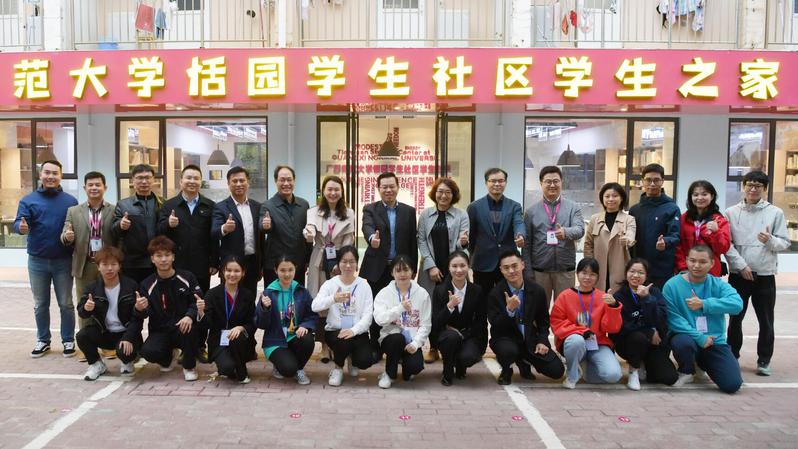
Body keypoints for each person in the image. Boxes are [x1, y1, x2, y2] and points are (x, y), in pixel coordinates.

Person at [725, 170, 790, 376]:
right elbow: (727, 245)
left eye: (758, 186)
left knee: (766, 320)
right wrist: (741, 266)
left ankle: (764, 360)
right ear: (743, 186)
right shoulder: (731, 212)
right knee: (735, 318)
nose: (753, 189)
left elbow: (784, 242)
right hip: (739, 275)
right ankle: (732, 356)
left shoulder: (775, 213)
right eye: (749, 185)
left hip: (764, 275)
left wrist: (770, 240)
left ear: (765, 189)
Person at [15, 160, 79, 358]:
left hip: (63, 260)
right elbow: (19, 223)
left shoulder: (70, 201)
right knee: (40, 303)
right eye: (47, 172)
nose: (51, 176)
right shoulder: (28, 200)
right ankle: (43, 340)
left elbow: (76, 227)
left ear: (61, 176)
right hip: (37, 261)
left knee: (66, 303)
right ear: (40, 175)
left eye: (55, 173)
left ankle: (68, 340)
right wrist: (21, 228)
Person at [664, 245, 743, 394]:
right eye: (692, 260)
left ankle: (702, 363)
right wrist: (700, 337)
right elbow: (674, 319)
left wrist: (705, 304)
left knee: (732, 384)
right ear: (686, 260)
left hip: (714, 341)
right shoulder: (672, 285)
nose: (696, 265)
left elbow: (737, 305)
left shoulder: (718, 284)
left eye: (702, 262)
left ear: (712, 263)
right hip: (688, 337)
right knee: (682, 343)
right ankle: (686, 370)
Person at [361, 172, 418, 362]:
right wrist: (372, 238)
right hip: (377, 268)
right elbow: (367, 227)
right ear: (378, 189)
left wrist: (413, 268)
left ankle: (397, 347)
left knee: (400, 308)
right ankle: (375, 347)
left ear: (398, 187)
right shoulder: (370, 209)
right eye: (384, 187)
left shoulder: (409, 211)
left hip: (400, 270)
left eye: (391, 186)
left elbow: (412, 242)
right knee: (377, 308)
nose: (388, 190)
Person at [488, 249, 565, 385]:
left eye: (514, 266)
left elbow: (543, 321)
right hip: (506, 339)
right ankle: (506, 370)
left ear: (522, 265)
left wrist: (542, 341)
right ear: (501, 270)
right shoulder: (495, 293)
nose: (511, 271)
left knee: (557, 370)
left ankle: (524, 361)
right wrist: (509, 310)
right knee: (508, 351)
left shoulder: (537, 290)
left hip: (530, 340)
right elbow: (495, 324)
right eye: (506, 268)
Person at [417, 177, 469, 364]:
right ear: (434, 193)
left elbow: (462, 245)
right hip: (430, 270)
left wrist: (463, 243)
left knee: (453, 306)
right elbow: (421, 240)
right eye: (440, 191)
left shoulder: (461, 215)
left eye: (448, 192)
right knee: (430, 309)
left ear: (453, 195)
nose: (444, 196)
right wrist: (431, 266)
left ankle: (452, 345)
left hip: (453, 270)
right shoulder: (426, 215)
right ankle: (433, 347)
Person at [304, 175, 355, 364]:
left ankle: (338, 343)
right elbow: (309, 229)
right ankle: (324, 346)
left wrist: (341, 262)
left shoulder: (349, 213)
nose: (333, 193)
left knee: (340, 300)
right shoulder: (313, 211)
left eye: (336, 189)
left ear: (341, 192)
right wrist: (308, 234)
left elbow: (349, 240)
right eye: (329, 189)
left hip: (340, 261)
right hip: (318, 259)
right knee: (320, 301)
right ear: (323, 192)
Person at [551, 257, 623, 389]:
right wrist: (582, 332)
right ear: (577, 273)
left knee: (613, 375)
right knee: (576, 341)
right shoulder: (565, 296)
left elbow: (612, 328)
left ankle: (585, 371)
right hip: (574, 343)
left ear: (597, 277)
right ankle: (572, 374)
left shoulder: (602, 297)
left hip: (597, 344)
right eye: (584, 273)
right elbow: (557, 323)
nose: (587, 277)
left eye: (592, 274)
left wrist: (613, 307)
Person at [138, 236, 203, 382]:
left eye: (167, 255)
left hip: (182, 327)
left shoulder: (188, 277)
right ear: (152, 259)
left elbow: (197, 301)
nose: (163, 259)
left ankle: (189, 366)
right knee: (148, 352)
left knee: (191, 330)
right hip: (160, 330)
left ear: (173, 257)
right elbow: (145, 313)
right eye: (159, 256)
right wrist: (140, 308)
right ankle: (167, 356)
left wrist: (189, 316)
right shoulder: (147, 284)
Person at [60, 172, 115, 337]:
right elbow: (64, 234)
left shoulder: (114, 210)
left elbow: (119, 238)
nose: (94, 188)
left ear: (105, 187)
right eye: (90, 185)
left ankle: (107, 341)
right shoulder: (73, 211)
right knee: (85, 304)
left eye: (98, 185)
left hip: (107, 266)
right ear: (85, 188)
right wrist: (67, 237)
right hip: (84, 265)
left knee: (109, 303)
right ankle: (86, 342)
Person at [75, 247, 143, 380]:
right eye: (105, 264)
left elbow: (139, 318)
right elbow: (82, 313)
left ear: (119, 266)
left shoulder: (131, 286)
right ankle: (96, 364)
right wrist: (87, 308)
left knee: (125, 352)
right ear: (98, 267)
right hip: (104, 332)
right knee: (82, 336)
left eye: (113, 264)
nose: (109, 268)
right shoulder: (92, 288)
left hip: (125, 333)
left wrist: (129, 336)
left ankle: (127, 361)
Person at [311, 246, 374, 387]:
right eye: (344, 261)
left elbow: (368, 316)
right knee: (343, 341)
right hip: (335, 331)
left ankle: (352, 358)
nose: (348, 265)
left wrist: (353, 330)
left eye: (352, 261)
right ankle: (338, 368)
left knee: (365, 360)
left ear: (357, 263)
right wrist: (333, 298)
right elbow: (315, 306)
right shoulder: (330, 284)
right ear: (338, 264)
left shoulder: (364, 285)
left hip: (357, 331)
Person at [611, 258, 678, 390]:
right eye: (632, 271)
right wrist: (649, 331)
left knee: (669, 378)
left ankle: (645, 364)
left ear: (646, 276)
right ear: (626, 273)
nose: (636, 275)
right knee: (638, 338)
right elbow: (624, 326)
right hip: (629, 343)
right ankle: (633, 370)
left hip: (653, 344)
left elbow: (661, 319)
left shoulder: (655, 292)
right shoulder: (619, 296)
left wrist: (647, 299)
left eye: (641, 272)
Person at [523, 166, 585, 305]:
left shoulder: (573, 207)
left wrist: (566, 232)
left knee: (565, 310)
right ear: (541, 183)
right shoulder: (531, 212)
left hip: (565, 271)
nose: (552, 185)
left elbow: (580, 229)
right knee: (538, 311)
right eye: (548, 181)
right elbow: (526, 245)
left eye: (556, 181)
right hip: (539, 272)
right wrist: (528, 271)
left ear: (562, 182)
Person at [255, 256, 318, 385]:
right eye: (282, 270)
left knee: (307, 339)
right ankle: (280, 363)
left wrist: (305, 325)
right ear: (275, 270)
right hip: (275, 341)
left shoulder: (301, 291)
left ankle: (299, 369)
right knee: (288, 370)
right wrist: (264, 309)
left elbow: (312, 315)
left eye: (290, 270)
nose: (287, 274)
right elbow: (261, 324)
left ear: (296, 269)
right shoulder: (269, 293)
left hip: (294, 336)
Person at [373, 255, 432, 389]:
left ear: (412, 272)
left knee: (414, 367)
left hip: (411, 340)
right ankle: (389, 374)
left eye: (406, 270)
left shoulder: (422, 294)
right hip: (390, 339)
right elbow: (379, 319)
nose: (402, 274)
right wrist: (400, 308)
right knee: (397, 339)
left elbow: (426, 325)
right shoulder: (384, 293)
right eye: (398, 270)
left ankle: (405, 365)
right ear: (392, 273)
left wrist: (416, 343)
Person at [157, 164, 218, 293]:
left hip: (202, 264)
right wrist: (168, 224)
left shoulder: (210, 206)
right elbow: (159, 232)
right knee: (176, 299)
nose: (192, 181)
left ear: (200, 182)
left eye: (196, 178)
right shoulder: (169, 205)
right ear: (181, 181)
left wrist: (214, 262)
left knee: (200, 298)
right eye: (188, 178)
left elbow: (213, 236)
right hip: (176, 264)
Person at [467, 168, 526, 297]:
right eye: (493, 181)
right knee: (482, 299)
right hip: (482, 262)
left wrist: (520, 235)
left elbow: (518, 223)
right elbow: (471, 235)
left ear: (505, 182)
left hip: (507, 263)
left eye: (501, 181)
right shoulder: (474, 207)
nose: (497, 184)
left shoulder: (514, 206)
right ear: (486, 183)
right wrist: (473, 253)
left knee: (507, 298)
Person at [432, 251, 487, 386]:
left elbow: (481, 321)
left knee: (469, 356)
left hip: (468, 334)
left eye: (462, 266)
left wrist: (464, 334)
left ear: (468, 266)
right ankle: (447, 370)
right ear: (449, 268)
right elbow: (436, 322)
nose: (459, 270)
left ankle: (461, 364)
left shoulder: (477, 290)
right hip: (446, 336)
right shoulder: (440, 290)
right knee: (451, 338)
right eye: (454, 266)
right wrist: (449, 306)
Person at [198, 255, 256, 384]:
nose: (232, 274)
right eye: (228, 270)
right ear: (223, 271)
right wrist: (201, 312)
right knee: (226, 368)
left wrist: (241, 328)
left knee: (238, 337)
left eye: (237, 271)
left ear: (243, 273)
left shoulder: (247, 295)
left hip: (241, 342)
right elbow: (207, 324)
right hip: (220, 341)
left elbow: (253, 323)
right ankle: (231, 366)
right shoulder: (212, 294)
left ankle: (241, 371)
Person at [629, 163, 680, 289]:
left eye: (656, 180)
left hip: (661, 268)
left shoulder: (671, 208)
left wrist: (665, 242)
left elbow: (675, 235)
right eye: (648, 180)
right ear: (642, 181)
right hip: (638, 268)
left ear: (662, 181)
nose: (652, 184)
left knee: (659, 299)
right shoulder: (634, 210)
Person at [212, 166, 262, 295]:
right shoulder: (220, 207)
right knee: (229, 299)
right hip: (231, 265)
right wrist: (224, 228)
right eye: (234, 181)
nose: (239, 184)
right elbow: (214, 232)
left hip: (252, 263)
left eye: (242, 180)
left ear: (248, 182)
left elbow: (261, 237)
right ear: (228, 184)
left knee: (250, 299)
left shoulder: (257, 207)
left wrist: (261, 264)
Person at [261, 165, 311, 287]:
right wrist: (265, 226)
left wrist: (308, 259)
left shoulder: (304, 205)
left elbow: (308, 234)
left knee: (297, 296)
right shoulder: (267, 206)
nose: (286, 183)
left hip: (297, 265)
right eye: (282, 180)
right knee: (274, 297)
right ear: (276, 181)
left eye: (289, 180)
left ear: (294, 181)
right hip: (275, 266)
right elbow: (262, 226)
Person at [112, 164, 162, 283]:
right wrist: (120, 225)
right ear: (133, 180)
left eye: (147, 177)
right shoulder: (123, 205)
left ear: (153, 180)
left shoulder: (162, 203)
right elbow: (113, 230)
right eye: (139, 178)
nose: (144, 181)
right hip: (132, 262)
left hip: (158, 259)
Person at [584, 182, 636, 292]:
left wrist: (627, 240)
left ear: (621, 198)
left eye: (615, 196)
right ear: (602, 198)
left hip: (619, 268)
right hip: (598, 267)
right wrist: (589, 264)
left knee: (618, 297)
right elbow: (588, 244)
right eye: (607, 196)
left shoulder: (629, 219)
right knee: (598, 297)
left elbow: (631, 234)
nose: (611, 199)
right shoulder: (594, 219)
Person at [675, 180, 730, 277]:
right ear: (691, 197)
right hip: (686, 270)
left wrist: (716, 233)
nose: (700, 198)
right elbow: (678, 246)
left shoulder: (719, 220)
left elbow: (723, 249)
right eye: (695, 195)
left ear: (712, 196)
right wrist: (683, 267)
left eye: (704, 194)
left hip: (711, 272)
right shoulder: (683, 219)